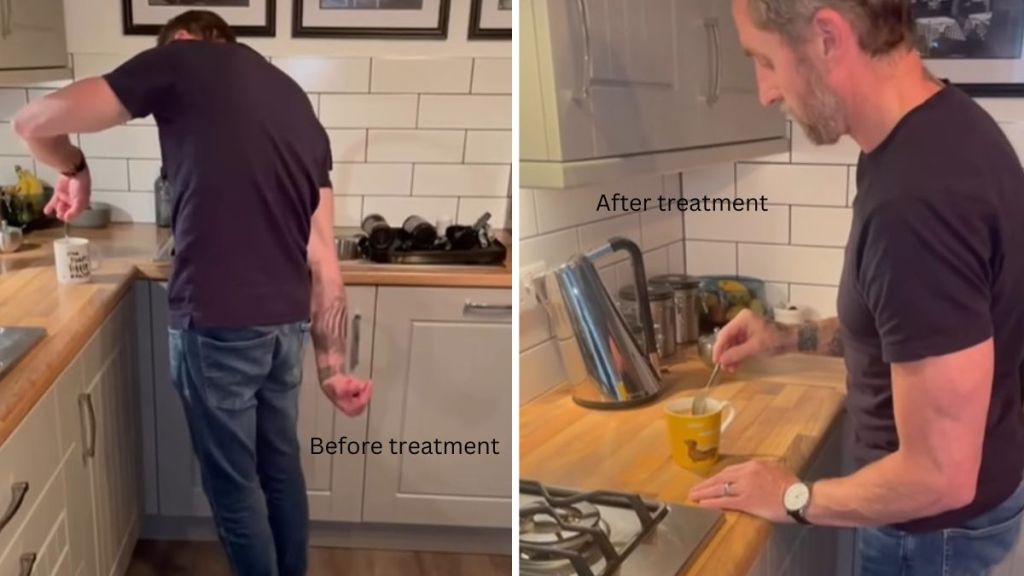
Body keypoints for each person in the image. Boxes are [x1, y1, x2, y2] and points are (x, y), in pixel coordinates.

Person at [12, 10, 373, 576]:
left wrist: (76, 167)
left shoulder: (182, 59)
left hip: (218, 322)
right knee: (279, 469)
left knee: (233, 487)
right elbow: (323, 253)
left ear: (182, 43)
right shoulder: (296, 105)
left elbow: (33, 122)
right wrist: (333, 367)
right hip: (285, 329)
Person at [687, 1, 1024, 574]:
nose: (766, 92)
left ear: (826, 37)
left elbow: (937, 476)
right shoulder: (936, 129)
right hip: (963, 512)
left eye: (764, 60)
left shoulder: (916, 201)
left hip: (929, 535)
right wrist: (783, 338)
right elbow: (913, 330)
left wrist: (793, 497)